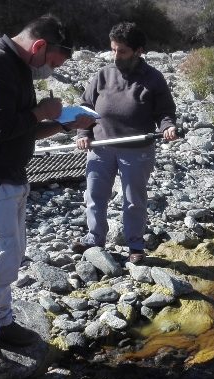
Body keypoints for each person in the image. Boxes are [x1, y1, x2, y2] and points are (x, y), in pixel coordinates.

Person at [0, 14, 95, 371]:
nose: (51, 71)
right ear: (39, 46)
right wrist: (43, 110)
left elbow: (20, 130)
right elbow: (1, 128)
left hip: (6, 177)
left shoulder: (16, 65)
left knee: (11, 255)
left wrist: (60, 125)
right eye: (53, 63)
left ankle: (3, 321)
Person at [72, 22, 177, 264]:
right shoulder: (102, 76)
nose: (116, 55)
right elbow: (85, 108)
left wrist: (168, 127)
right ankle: (94, 238)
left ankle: (135, 245)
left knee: (133, 200)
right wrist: (83, 135)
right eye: (113, 50)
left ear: (138, 51)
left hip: (136, 150)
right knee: (95, 195)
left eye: (122, 51)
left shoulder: (153, 79)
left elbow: (164, 112)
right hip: (100, 147)